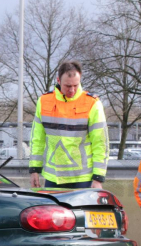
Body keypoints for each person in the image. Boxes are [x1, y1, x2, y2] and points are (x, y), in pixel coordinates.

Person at [29, 61, 109, 189]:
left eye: (76, 85)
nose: (72, 90)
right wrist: (34, 170)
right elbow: (37, 139)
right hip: (53, 177)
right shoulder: (44, 101)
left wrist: (98, 178)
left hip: (83, 177)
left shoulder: (92, 103)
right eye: (67, 86)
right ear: (58, 81)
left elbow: (100, 143)